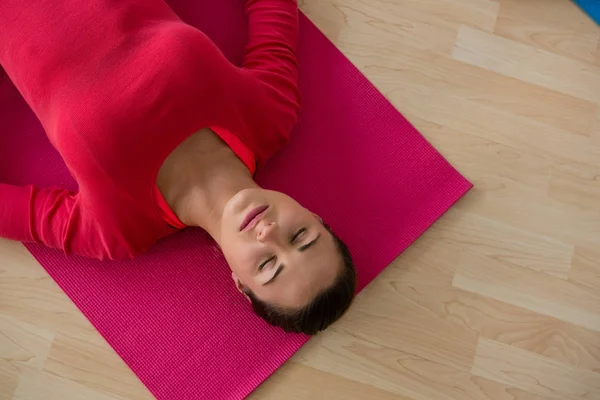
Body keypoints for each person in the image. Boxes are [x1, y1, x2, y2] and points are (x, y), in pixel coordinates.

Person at [0, 0, 356, 335]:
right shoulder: (271, 116)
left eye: (267, 266)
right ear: (314, 216)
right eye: (300, 236)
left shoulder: (118, 229)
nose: (268, 233)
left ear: (240, 285)